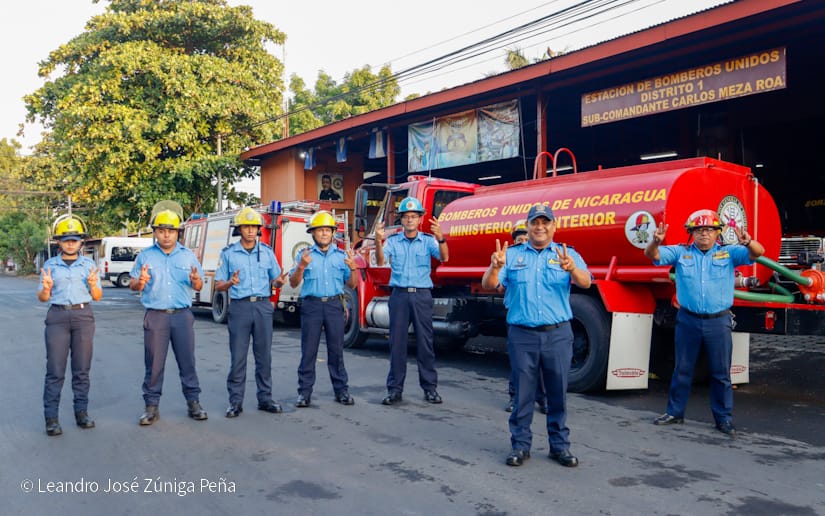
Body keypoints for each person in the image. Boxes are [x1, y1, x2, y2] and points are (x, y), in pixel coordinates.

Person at [482, 204, 592, 468]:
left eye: (545, 222)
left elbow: (586, 282)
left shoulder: (568, 254)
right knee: (523, 394)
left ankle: (559, 446)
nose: (540, 227)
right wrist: (495, 267)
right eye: (535, 222)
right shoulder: (512, 255)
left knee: (557, 394)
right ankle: (520, 445)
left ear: (554, 226)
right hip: (522, 335)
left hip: (558, 335)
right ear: (528, 226)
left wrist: (572, 269)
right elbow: (489, 284)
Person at [645, 209, 764, 437]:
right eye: (699, 230)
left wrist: (749, 242)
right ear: (691, 233)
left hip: (718, 322)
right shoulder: (681, 253)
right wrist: (655, 241)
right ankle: (675, 413)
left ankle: (723, 419)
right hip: (688, 320)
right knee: (682, 369)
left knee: (720, 373)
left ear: (717, 233)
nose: (704, 234)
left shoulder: (729, 253)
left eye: (709, 229)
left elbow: (757, 253)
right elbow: (654, 256)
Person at [130, 208, 208, 426]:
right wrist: (141, 281)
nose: (166, 235)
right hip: (156, 316)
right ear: (155, 232)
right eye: (161, 230)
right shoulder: (145, 256)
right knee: (154, 363)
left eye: (171, 231)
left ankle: (194, 403)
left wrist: (195, 280)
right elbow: (133, 285)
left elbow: (199, 283)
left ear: (178, 233)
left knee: (187, 361)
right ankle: (151, 407)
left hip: (182, 316)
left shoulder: (188, 255)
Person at [214, 207, 288, 418]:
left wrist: (279, 281)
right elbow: (218, 285)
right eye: (246, 226)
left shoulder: (266, 252)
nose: (250, 230)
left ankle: (265, 399)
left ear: (258, 229)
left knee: (264, 356)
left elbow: (276, 277)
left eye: (253, 227)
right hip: (239, 307)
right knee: (238, 357)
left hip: (263, 306)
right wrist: (230, 282)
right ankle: (235, 402)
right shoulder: (228, 254)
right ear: (239, 229)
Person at [374, 196, 448, 405]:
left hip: (422, 295)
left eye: (413, 216)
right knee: (397, 343)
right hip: (399, 295)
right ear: (401, 220)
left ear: (419, 219)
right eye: (406, 217)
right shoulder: (393, 241)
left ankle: (430, 389)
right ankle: (395, 389)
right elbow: (380, 260)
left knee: (425, 343)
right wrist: (379, 242)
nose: (409, 220)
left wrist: (441, 238)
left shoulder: (428, 241)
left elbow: (444, 258)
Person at [38, 215, 103, 436]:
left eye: (74, 240)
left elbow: (97, 296)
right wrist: (46, 288)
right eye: (66, 240)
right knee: (55, 370)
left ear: (81, 242)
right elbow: (43, 298)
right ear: (59, 242)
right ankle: (51, 418)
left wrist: (94, 285)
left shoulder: (89, 265)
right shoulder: (50, 265)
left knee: (82, 369)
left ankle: (81, 413)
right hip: (57, 316)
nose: (70, 243)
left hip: (83, 315)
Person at [289, 211, 358, 407]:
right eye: (320, 230)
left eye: (327, 230)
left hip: (334, 305)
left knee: (336, 351)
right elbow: (293, 283)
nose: (324, 233)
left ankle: (341, 391)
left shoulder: (341, 256)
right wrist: (301, 266)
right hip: (312, 305)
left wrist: (353, 268)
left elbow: (351, 285)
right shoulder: (305, 255)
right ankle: (304, 393)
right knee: (308, 351)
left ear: (333, 232)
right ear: (313, 233)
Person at [502, 220, 547, 415]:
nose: (522, 241)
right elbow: (495, 282)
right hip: (518, 317)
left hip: (540, 318)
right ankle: (515, 397)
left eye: (524, 238)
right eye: (518, 239)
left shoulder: (541, 258)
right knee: (518, 364)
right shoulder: (509, 258)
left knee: (543, 363)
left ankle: (543, 398)